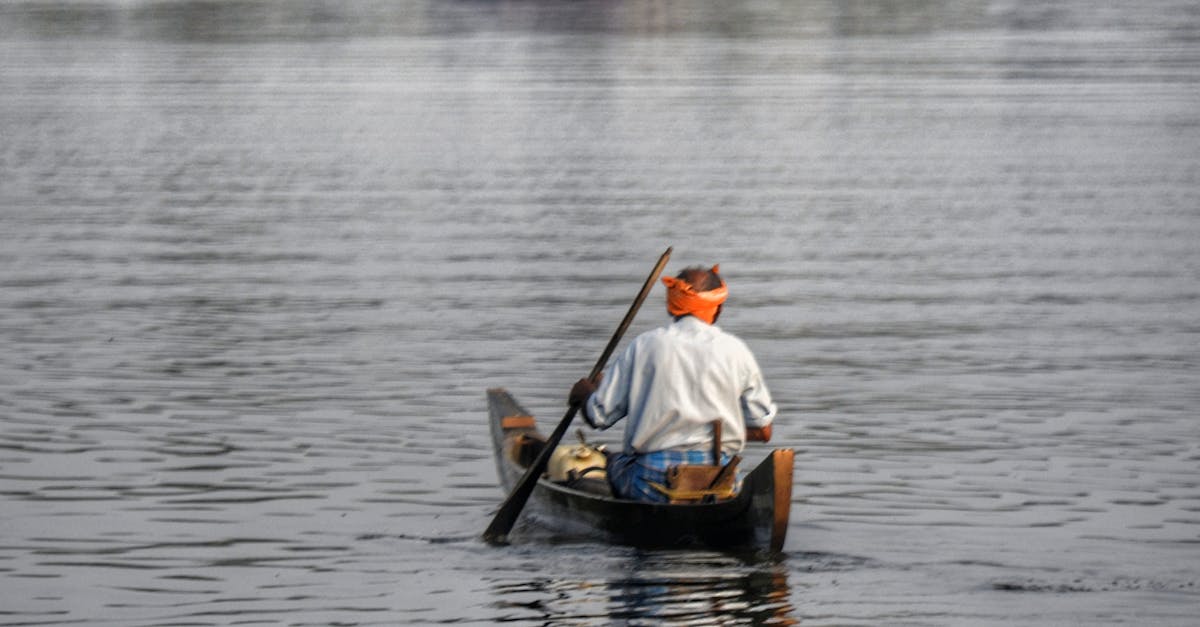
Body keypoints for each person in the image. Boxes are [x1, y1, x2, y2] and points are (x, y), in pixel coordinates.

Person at [568, 265, 777, 502]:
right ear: (717, 309)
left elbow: (599, 416)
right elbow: (763, 430)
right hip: (718, 482)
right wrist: (703, 431)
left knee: (614, 461)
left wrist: (586, 395)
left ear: (673, 306)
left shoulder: (644, 346)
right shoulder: (737, 351)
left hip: (652, 481)